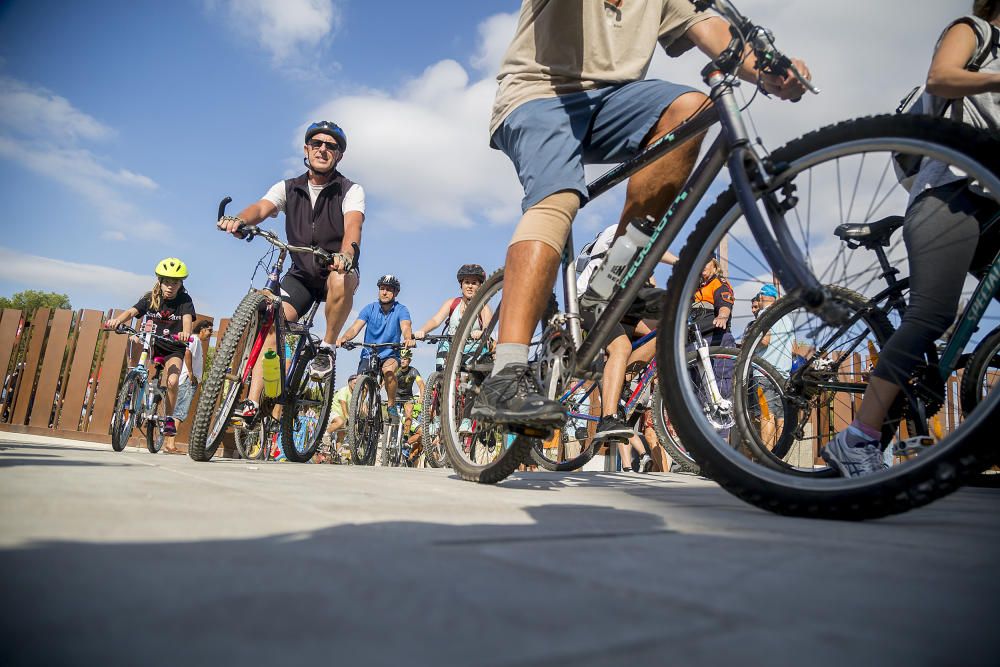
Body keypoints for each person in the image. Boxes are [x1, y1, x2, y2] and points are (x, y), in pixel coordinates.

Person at [472, 1, 810, 432]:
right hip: (540, 95)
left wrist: (768, 70)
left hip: (613, 101)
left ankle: (610, 278)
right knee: (560, 197)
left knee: (693, 108)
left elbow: (709, 27)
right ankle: (505, 375)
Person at [824, 0, 1000, 477]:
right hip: (949, 190)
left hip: (992, 202)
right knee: (933, 312)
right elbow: (941, 77)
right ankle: (857, 437)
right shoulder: (977, 30)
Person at [217, 121, 364, 421]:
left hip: (337, 270)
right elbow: (261, 208)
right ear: (307, 149)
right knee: (273, 322)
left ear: (339, 156)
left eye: (331, 146)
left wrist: (346, 255)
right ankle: (252, 401)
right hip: (301, 275)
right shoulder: (288, 187)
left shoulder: (350, 190)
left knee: (339, 279)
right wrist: (240, 220)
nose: (323, 149)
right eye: (317, 143)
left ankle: (326, 348)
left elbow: (353, 226)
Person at [575, 223, 676, 443]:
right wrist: (681, 263)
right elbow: (653, 247)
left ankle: (621, 384)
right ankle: (608, 417)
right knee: (621, 347)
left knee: (660, 335)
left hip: (616, 307)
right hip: (589, 300)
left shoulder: (636, 261)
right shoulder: (619, 229)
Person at [104, 258, 195, 437]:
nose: (170, 287)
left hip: (172, 347)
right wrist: (117, 320)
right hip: (151, 342)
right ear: (159, 281)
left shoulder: (185, 299)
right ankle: (134, 375)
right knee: (134, 339)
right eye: (166, 282)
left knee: (172, 381)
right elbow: (132, 312)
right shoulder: (150, 297)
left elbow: (186, 319)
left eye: (174, 283)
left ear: (180, 284)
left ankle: (168, 418)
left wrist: (185, 333)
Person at [337, 275, 415, 422]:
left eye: (389, 290)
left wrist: (407, 338)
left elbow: (406, 326)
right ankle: (359, 414)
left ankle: (391, 405)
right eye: (382, 289)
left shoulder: (401, 310)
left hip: (390, 354)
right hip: (369, 353)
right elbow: (355, 327)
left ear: (396, 293)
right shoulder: (369, 308)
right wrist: (345, 338)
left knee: (389, 371)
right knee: (360, 382)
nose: (384, 292)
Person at [414, 264, 492, 371]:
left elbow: (487, 326)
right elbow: (436, 320)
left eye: (474, 283)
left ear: (479, 286)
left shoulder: (483, 306)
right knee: (442, 373)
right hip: (450, 344)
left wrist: (481, 333)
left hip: (473, 346)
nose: (470, 286)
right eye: (467, 282)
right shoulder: (452, 303)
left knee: (471, 376)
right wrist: (422, 330)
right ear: (461, 285)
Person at [168, 319, 213, 452]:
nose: (210, 333)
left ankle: (169, 442)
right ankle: (170, 444)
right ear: (202, 329)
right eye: (209, 330)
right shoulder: (195, 340)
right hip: (188, 380)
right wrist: (190, 373)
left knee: (179, 410)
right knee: (180, 411)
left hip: (190, 380)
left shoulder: (197, 341)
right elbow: (187, 352)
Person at [325, 373, 358, 460]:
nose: (356, 386)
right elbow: (343, 404)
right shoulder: (344, 390)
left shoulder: (355, 395)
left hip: (342, 417)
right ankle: (326, 433)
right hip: (333, 412)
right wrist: (348, 417)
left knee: (342, 435)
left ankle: (339, 454)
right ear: (349, 383)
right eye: (355, 383)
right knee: (340, 422)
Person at [394, 348, 424, 438]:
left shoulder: (413, 371)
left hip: (407, 397)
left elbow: (421, 385)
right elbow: (387, 381)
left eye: (405, 359)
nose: (402, 361)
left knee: (409, 412)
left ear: (409, 361)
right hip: (395, 396)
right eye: (401, 358)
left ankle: (406, 436)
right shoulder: (396, 370)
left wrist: (421, 397)